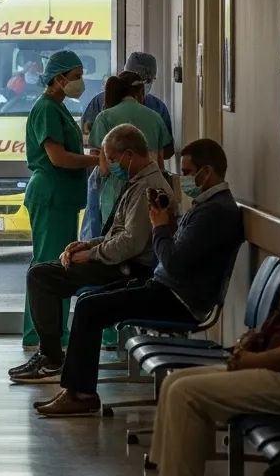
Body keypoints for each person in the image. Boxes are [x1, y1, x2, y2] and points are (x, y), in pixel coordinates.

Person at [113, 181, 280, 476]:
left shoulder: (216, 212)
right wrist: (253, 341)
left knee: (187, 394)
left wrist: (255, 360)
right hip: (271, 366)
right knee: (175, 384)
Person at [35, 138, 244, 418]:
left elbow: (172, 261)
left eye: (189, 171)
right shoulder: (206, 206)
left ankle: (80, 393)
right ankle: (76, 388)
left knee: (88, 308)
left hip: (179, 299)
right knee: (89, 300)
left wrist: (160, 227)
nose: (185, 179)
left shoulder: (215, 212)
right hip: (164, 287)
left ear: (207, 172)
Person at [9, 124, 174, 382]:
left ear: (129, 155)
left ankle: (51, 358)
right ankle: (50, 356)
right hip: (119, 260)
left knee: (42, 277)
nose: (109, 165)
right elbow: (118, 234)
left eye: (111, 159)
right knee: (43, 274)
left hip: (130, 268)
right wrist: (86, 245)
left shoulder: (148, 188)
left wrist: (93, 254)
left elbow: (130, 243)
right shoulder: (137, 182)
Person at [21, 50, 100, 347]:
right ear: (58, 79)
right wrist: (97, 161)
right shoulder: (46, 109)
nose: (80, 82)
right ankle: (40, 333)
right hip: (50, 194)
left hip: (62, 197)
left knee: (58, 266)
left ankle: (53, 331)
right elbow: (57, 158)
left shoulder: (59, 107)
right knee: (47, 267)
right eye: (76, 77)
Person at [80, 51, 173, 240]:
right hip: (149, 188)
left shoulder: (103, 112)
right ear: (141, 90)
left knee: (107, 239)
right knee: (143, 241)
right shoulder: (155, 114)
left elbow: (99, 160)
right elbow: (163, 156)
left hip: (111, 190)